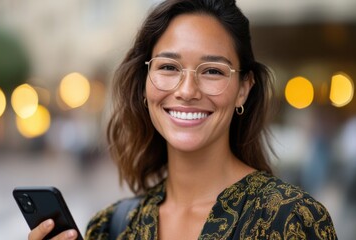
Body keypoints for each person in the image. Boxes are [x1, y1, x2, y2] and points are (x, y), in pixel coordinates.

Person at [29, 0, 338, 239]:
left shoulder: (291, 219)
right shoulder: (112, 227)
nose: (187, 91)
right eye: (168, 67)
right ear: (145, 83)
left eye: (213, 71)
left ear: (243, 89)